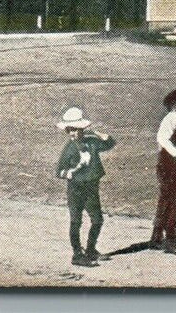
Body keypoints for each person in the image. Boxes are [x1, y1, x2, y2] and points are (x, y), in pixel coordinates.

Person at [54, 106, 116, 267]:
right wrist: (74, 170)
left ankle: (90, 250)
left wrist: (95, 133)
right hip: (75, 190)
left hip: (91, 188)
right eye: (69, 130)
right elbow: (59, 171)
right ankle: (77, 255)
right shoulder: (69, 149)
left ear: (82, 128)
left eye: (75, 129)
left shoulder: (92, 142)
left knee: (97, 220)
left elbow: (110, 143)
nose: (72, 133)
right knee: (76, 221)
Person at [150, 89, 176, 255]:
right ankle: (170, 241)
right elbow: (161, 139)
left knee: (166, 202)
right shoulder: (171, 120)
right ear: (175, 107)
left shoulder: (174, 120)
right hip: (170, 168)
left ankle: (156, 238)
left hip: (168, 167)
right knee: (175, 203)